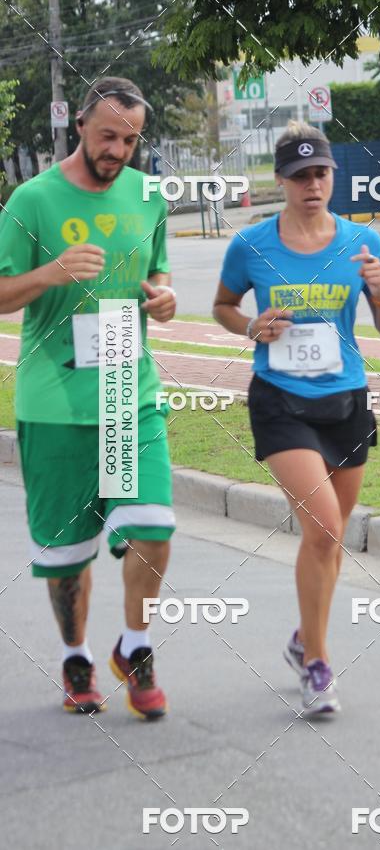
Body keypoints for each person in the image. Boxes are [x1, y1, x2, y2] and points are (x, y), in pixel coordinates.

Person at [213, 121, 380, 715]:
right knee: (323, 527)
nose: (311, 184)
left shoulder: (362, 245)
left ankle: (304, 640)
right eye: (299, 176)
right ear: (282, 181)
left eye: (320, 172)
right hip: (278, 401)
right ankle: (319, 667)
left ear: (332, 175)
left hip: (345, 403)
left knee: (331, 537)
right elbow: (222, 305)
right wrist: (248, 325)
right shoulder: (251, 246)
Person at [0, 76, 177, 719]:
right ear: (79, 125)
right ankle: (76, 656)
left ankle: (136, 644)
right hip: (55, 403)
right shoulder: (33, 199)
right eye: (108, 136)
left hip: (130, 394)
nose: (118, 150)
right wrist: (50, 273)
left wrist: (162, 293)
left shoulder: (148, 195)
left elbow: (157, 267)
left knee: (153, 526)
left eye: (130, 139)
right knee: (67, 556)